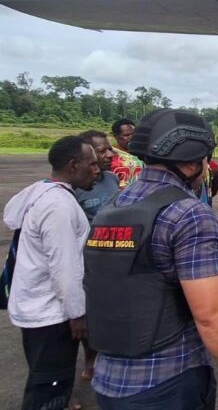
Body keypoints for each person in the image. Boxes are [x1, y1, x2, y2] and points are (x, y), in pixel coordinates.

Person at [85, 109, 218, 409]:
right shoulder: (190, 213)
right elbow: (211, 314)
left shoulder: (113, 205)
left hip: (109, 380)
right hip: (168, 382)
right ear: (193, 162)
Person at [3, 136, 100, 410]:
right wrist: (76, 313)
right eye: (91, 164)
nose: (97, 170)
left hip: (35, 308)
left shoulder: (41, 192)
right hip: (51, 314)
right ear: (72, 166)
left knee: (45, 378)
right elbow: (64, 266)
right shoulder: (59, 207)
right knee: (49, 390)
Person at [74, 130, 120, 381]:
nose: (109, 154)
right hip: (87, 262)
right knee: (86, 315)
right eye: (102, 151)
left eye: (109, 149)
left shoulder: (112, 179)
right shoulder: (74, 188)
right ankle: (90, 359)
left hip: (114, 259)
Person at [110, 118, 144, 190]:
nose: (132, 137)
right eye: (127, 135)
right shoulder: (110, 155)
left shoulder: (143, 153)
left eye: (134, 134)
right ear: (116, 136)